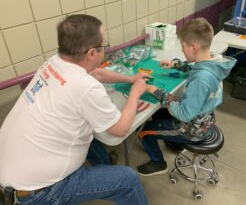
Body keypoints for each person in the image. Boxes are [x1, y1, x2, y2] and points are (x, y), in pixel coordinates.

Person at [0, 14, 150, 205]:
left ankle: (103, 164)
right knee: (128, 179)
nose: (107, 48)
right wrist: (136, 93)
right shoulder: (86, 87)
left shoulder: (54, 62)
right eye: (105, 45)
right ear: (92, 54)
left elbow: (96, 72)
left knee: (89, 138)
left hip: (11, 172)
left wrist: (130, 79)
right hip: (37, 192)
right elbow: (120, 129)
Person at [137, 17, 237, 176]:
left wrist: (156, 91)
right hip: (205, 118)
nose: (182, 50)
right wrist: (175, 65)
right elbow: (195, 68)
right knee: (158, 112)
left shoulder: (201, 80)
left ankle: (158, 163)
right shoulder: (213, 63)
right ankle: (174, 142)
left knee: (144, 132)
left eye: (183, 47)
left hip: (193, 129)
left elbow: (184, 113)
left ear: (194, 47)